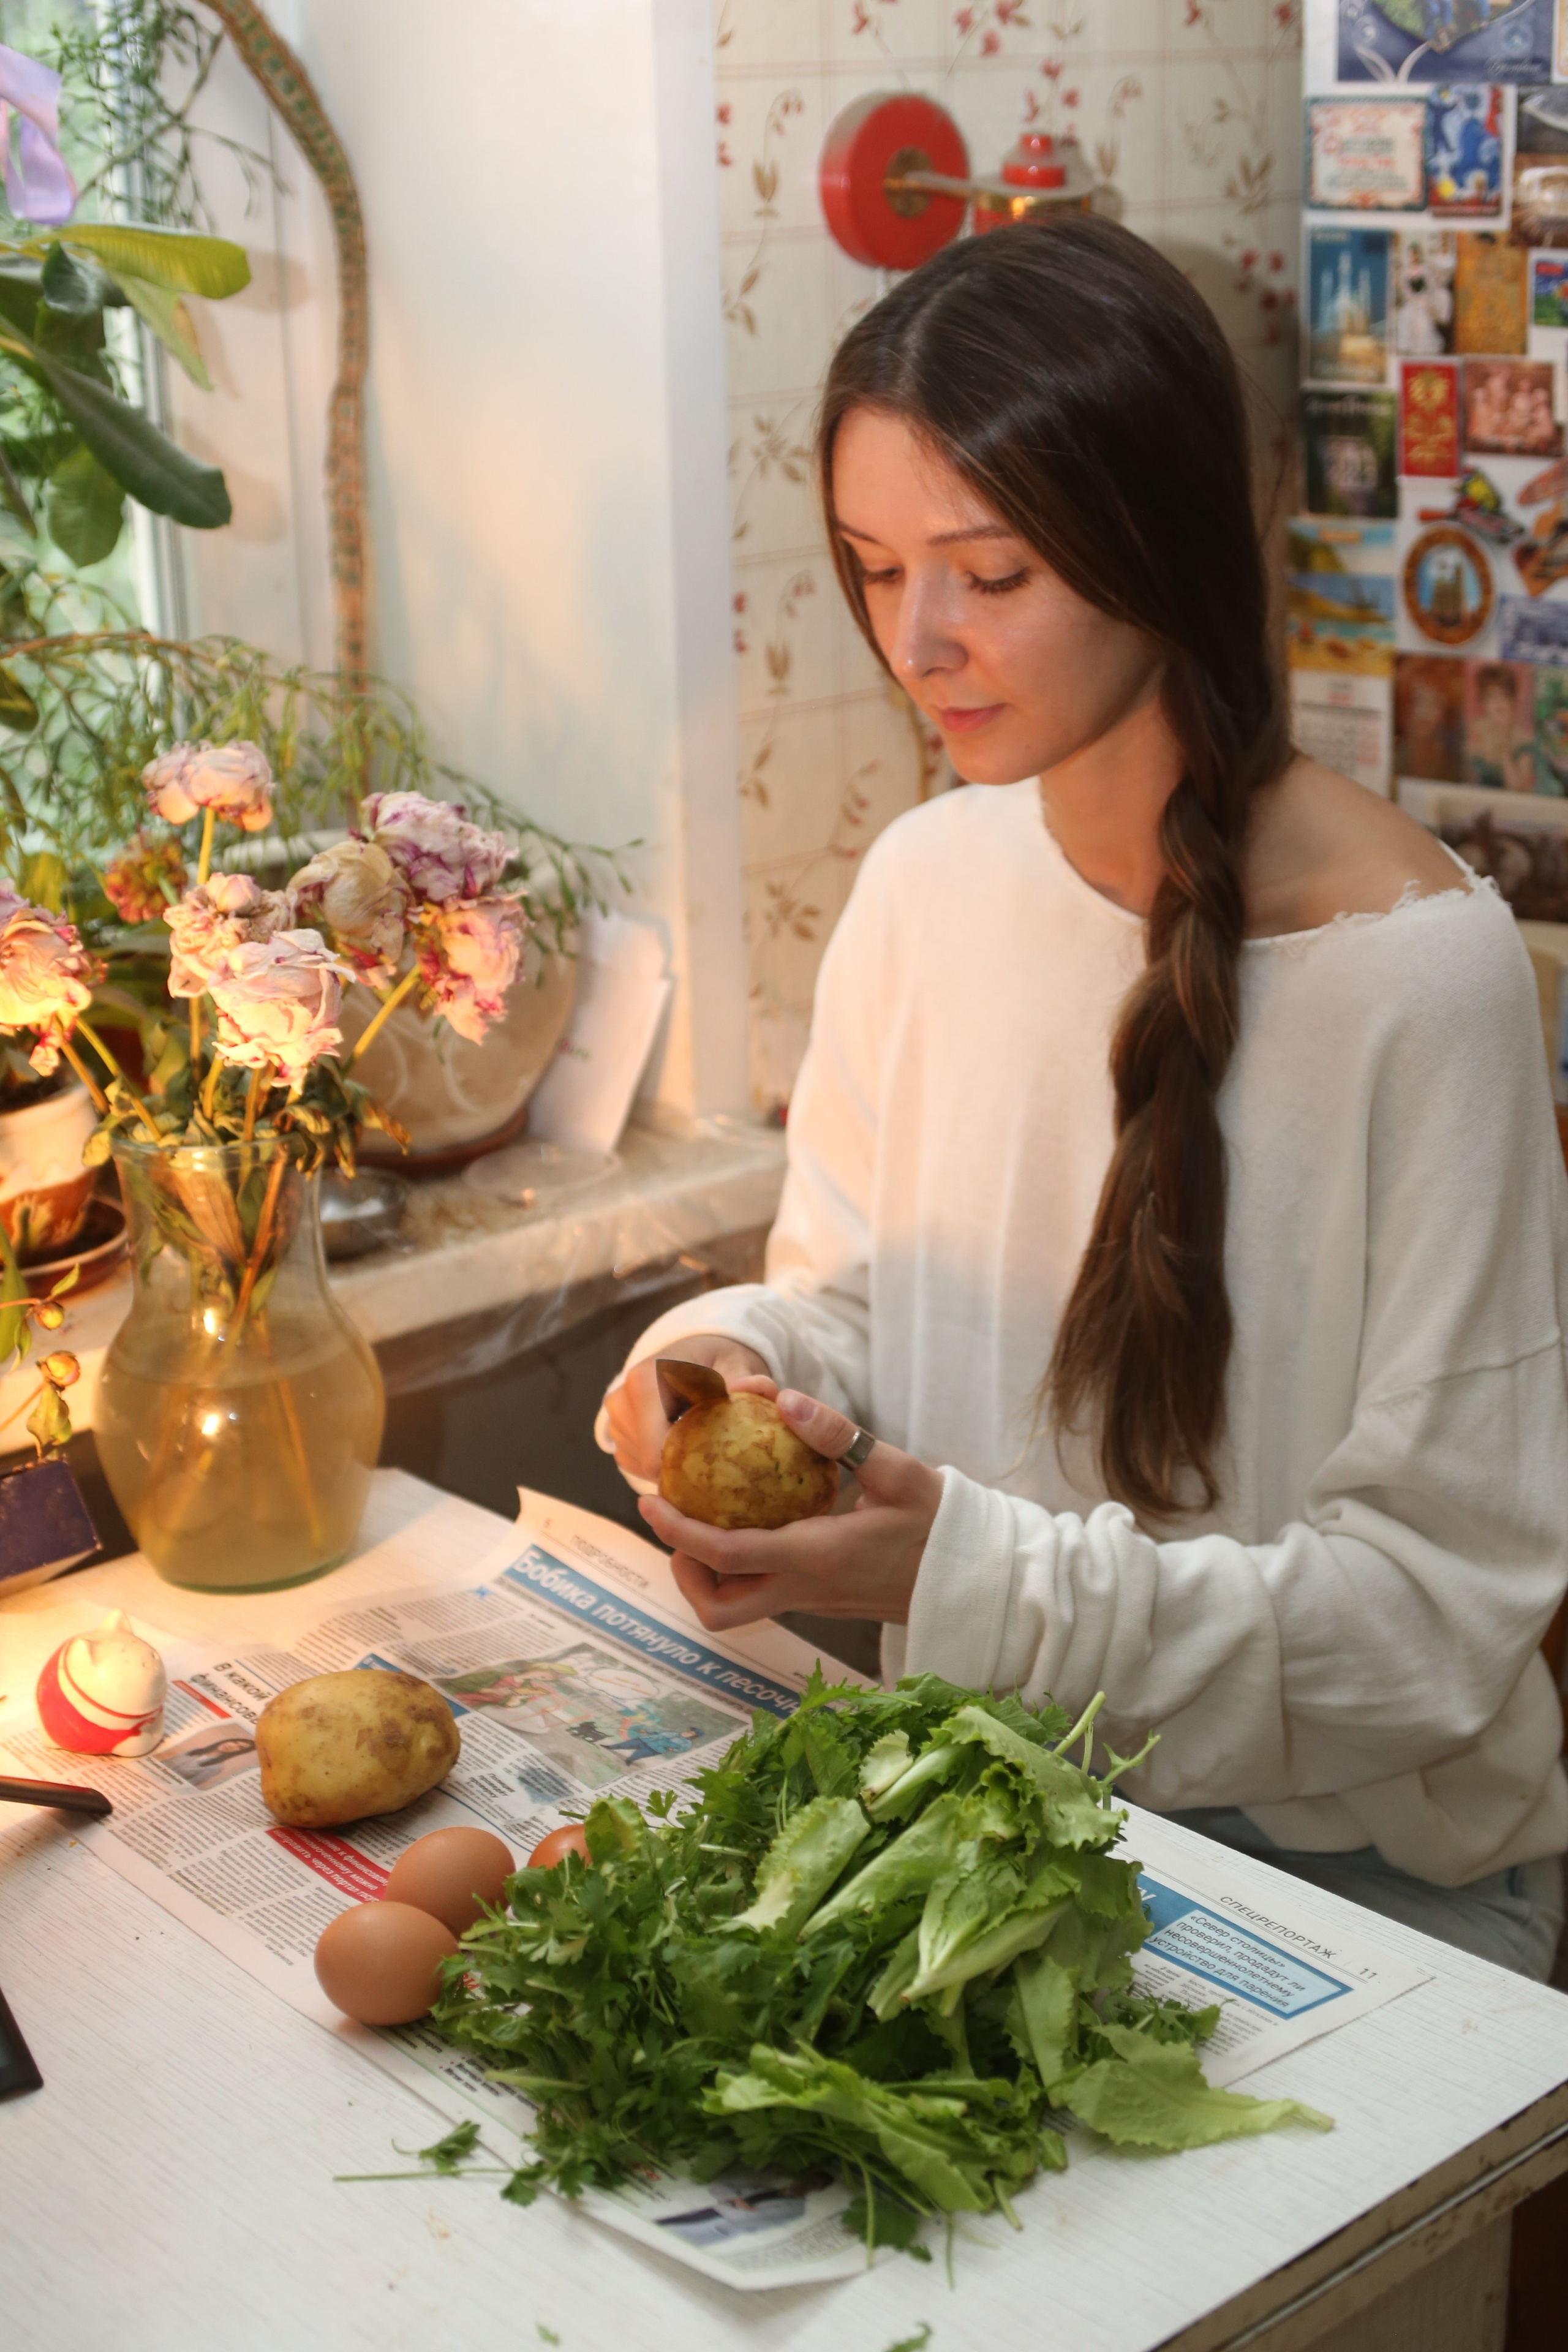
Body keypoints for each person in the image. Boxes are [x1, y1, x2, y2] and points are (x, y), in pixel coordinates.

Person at [600, 218, 1568, 1979]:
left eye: (991, 570)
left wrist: (952, 1582)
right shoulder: (924, 880)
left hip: (1360, 1893)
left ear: (1162, 548)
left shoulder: (1423, 976)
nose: (921, 640)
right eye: (875, 567)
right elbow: (868, 1302)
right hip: (991, 1804)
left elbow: (1433, 1623)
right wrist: (746, 1369)